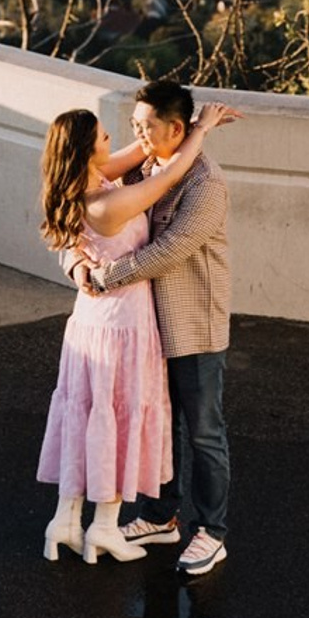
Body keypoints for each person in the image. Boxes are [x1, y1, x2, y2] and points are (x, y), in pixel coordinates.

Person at [34, 104, 220, 566]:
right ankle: (103, 528)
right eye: (102, 137)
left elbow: (138, 152)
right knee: (117, 419)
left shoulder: (78, 183)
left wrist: (160, 128)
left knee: (89, 417)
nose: (111, 141)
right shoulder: (105, 202)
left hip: (90, 324)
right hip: (122, 325)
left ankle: (65, 520)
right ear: (85, 150)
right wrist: (199, 130)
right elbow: (167, 176)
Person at [70, 78, 240, 578]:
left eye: (147, 127)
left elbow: (169, 250)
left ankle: (212, 531)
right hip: (143, 327)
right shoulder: (144, 167)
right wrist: (75, 265)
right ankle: (159, 515)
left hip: (191, 325)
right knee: (158, 422)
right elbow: (82, 213)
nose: (138, 135)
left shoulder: (205, 184)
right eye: (135, 126)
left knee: (204, 431)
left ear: (177, 128)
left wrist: (106, 277)